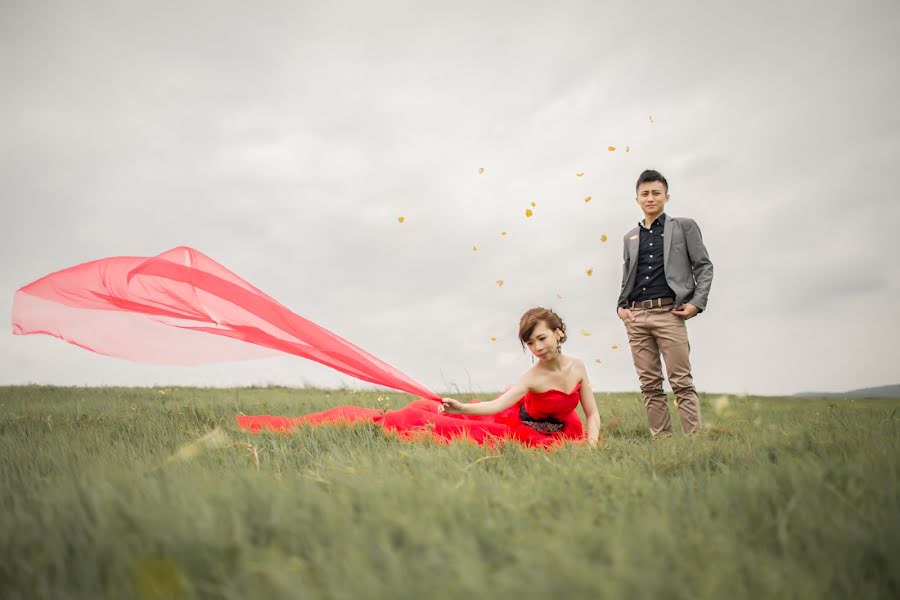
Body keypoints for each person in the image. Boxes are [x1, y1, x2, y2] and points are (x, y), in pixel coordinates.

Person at [238, 308, 603, 447]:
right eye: (530, 343)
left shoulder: (578, 368)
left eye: (542, 338)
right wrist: (461, 405)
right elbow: (497, 404)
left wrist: (591, 442)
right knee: (440, 423)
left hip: (563, 428)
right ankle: (432, 413)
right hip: (526, 425)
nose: (537, 348)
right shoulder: (530, 378)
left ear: (558, 332)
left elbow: (592, 413)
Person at [617, 169, 713, 437]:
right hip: (636, 316)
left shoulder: (684, 226)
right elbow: (628, 276)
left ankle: (695, 444)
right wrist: (621, 307)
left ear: (666, 197)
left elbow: (704, 266)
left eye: (655, 193)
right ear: (637, 198)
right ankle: (664, 445)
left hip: (670, 313)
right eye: (644, 194)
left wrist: (696, 303)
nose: (650, 198)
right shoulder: (629, 238)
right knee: (649, 385)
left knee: (681, 382)